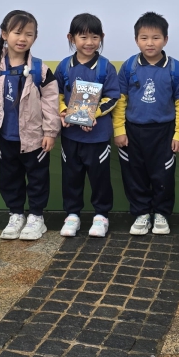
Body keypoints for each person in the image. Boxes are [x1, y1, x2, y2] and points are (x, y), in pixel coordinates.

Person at [0, 10, 60, 242]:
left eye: (29, 34)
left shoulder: (40, 69)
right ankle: (15, 215)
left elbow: (51, 102)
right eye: (17, 32)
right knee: (9, 178)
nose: (22, 38)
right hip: (7, 137)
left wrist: (50, 132)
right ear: (5, 34)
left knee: (37, 178)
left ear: (35, 37)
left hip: (35, 138)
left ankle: (36, 217)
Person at [113, 12, 179, 236]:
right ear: (136, 40)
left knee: (163, 175)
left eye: (156, 38)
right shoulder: (129, 66)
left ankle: (162, 214)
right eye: (144, 38)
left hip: (163, 132)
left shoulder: (174, 68)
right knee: (134, 175)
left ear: (165, 39)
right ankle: (141, 213)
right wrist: (119, 130)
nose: (150, 43)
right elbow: (120, 101)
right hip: (132, 132)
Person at [55, 13, 121, 238]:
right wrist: (63, 111)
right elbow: (56, 94)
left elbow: (113, 97)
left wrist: (93, 113)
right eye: (83, 37)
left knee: (99, 178)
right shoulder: (64, 66)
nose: (89, 42)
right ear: (71, 38)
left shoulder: (105, 67)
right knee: (71, 177)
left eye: (95, 37)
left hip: (97, 136)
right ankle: (72, 215)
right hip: (71, 136)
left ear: (101, 37)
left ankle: (101, 216)